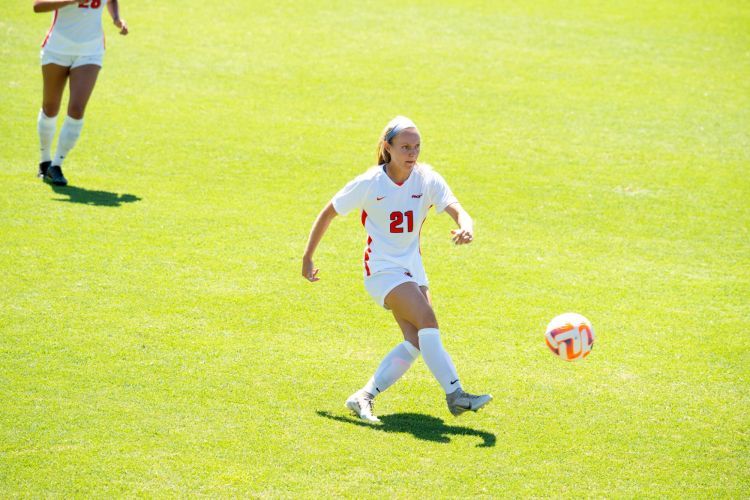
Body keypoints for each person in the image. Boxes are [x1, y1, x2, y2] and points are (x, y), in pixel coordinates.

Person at [302, 116, 492, 422]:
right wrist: (307, 257)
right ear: (387, 148)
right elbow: (328, 212)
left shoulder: (426, 178)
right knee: (427, 319)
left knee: (417, 341)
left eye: (416, 147)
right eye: (405, 147)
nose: (412, 153)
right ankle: (456, 395)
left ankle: (363, 397)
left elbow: (457, 208)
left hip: (412, 267)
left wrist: (466, 227)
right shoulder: (370, 183)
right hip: (380, 269)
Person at [33, 0, 129, 186]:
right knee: (50, 107)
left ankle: (56, 165)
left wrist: (116, 18)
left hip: (90, 51)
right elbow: (37, 6)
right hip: (56, 49)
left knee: (77, 109)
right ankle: (44, 161)